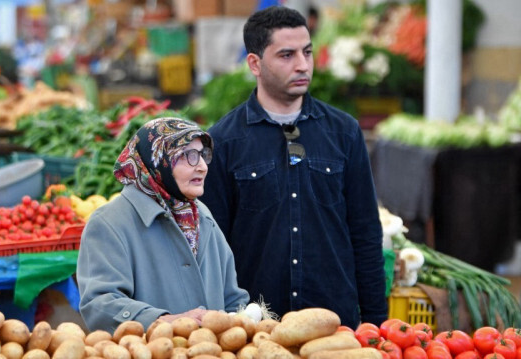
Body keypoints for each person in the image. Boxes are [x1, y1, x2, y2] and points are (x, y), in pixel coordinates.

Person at [199, 6, 387, 328]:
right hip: (256, 328)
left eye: (307, 52)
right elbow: (210, 250)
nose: (302, 65)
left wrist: (376, 323)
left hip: (335, 325)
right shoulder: (224, 142)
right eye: (286, 55)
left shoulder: (344, 132)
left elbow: (366, 232)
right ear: (255, 64)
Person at [77, 117, 249, 333]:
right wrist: (164, 321)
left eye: (203, 155)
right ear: (157, 161)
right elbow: (99, 305)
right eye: (189, 156)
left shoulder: (202, 216)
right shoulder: (109, 223)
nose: (203, 167)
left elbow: (232, 297)